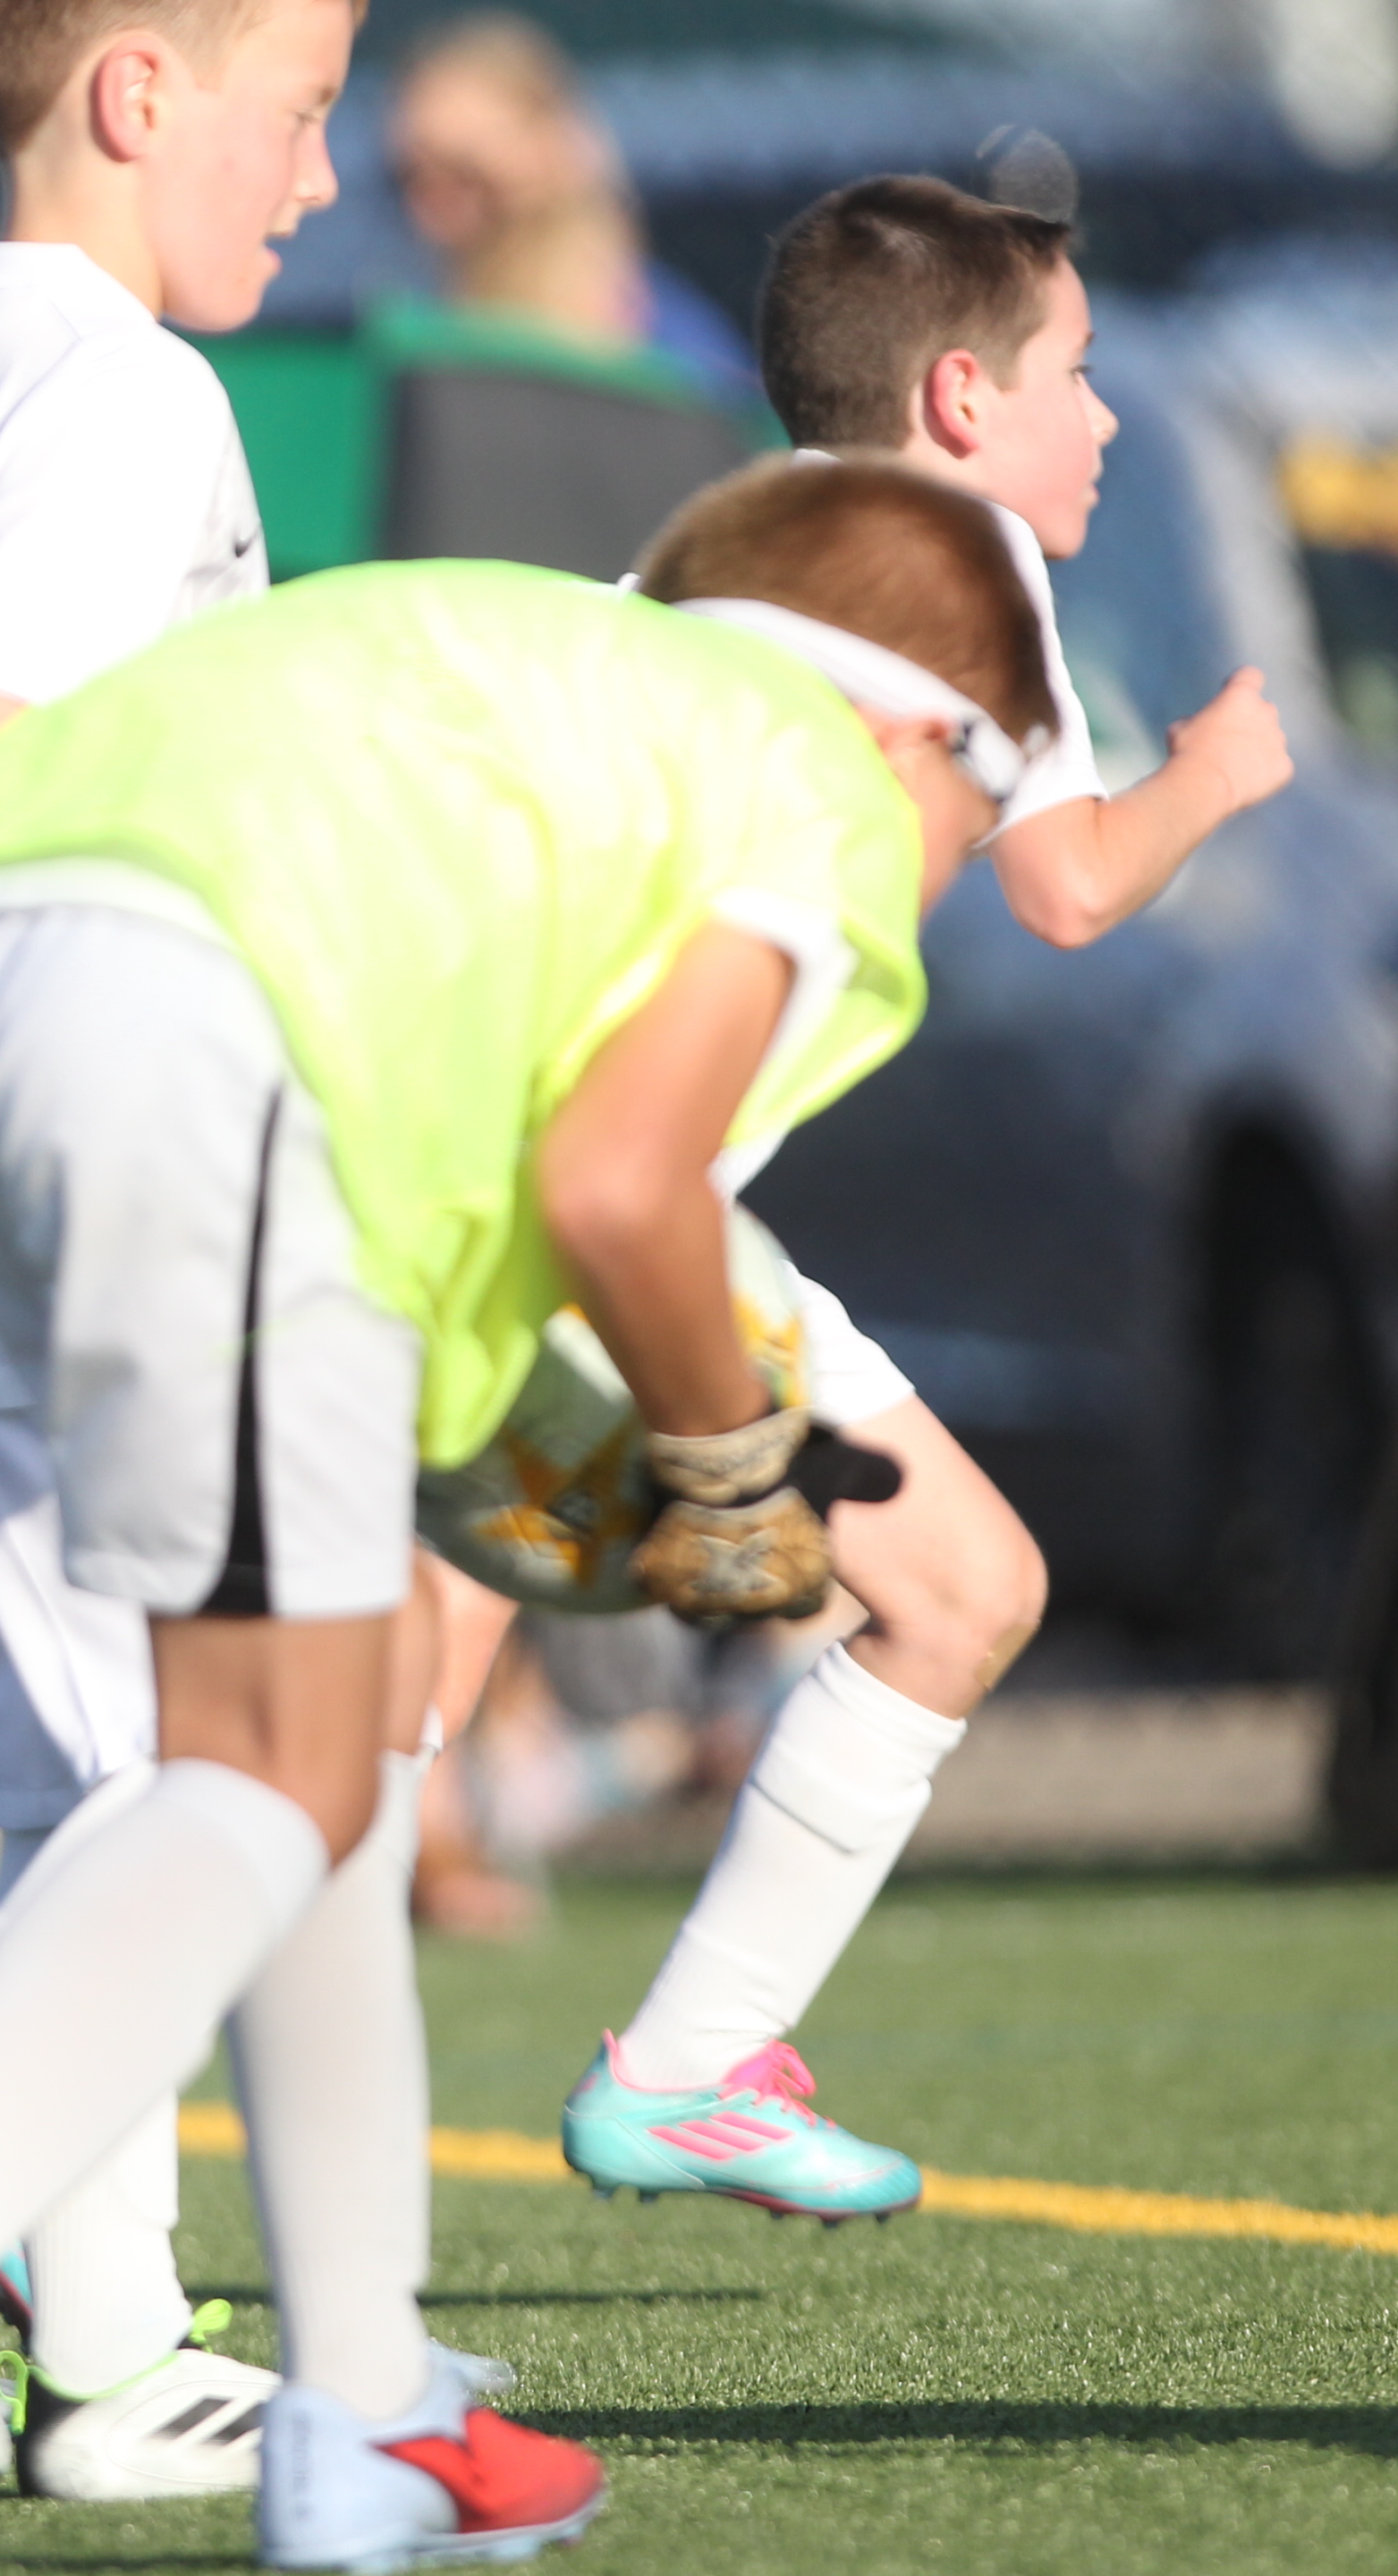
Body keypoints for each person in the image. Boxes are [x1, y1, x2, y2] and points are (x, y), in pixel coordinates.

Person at [0, 458, 1055, 2575]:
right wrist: (728, 1463)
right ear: (918, 724)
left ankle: (358, 2404)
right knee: (279, 1776)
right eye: (994, 791)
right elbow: (622, 1187)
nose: (957, 855)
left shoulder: (543, 710)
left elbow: (480, 1200)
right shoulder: (811, 779)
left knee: (327, 1750)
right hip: (186, 1021)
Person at [545, 174, 1296, 2215]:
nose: (1106, 419)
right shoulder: (964, 556)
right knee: (321, 1763)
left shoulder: (712, 547)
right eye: (1077, 373)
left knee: (353, 1729)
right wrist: (1220, 773)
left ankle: (684, 2067)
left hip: (552, 1170)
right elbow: (1071, 887)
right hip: (596, 1199)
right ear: (962, 399)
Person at [0, 0, 354, 2501]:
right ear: (136, 91)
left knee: (89, 1799)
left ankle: (104, 2352)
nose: (317, 178)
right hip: (44, 1188)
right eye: (299, 112)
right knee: (221, 1796)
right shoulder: (123, 385)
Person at [386, 10, 754, 402]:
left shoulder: (670, 356)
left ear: (553, 149)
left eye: (467, 174)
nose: (429, 214)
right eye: (407, 177)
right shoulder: (424, 336)